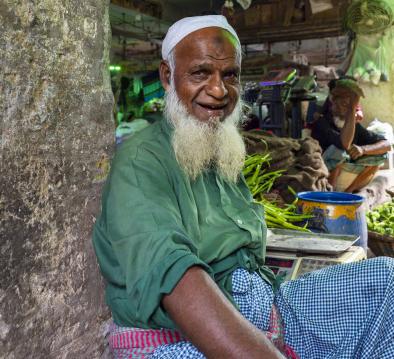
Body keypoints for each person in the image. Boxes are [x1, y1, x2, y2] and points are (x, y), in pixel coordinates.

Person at [93, 15, 394, 359]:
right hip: (182, 335)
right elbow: (176, 281)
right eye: (200, 73)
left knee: (386, 281)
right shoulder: (141, 161)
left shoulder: (219, 149)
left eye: (230, 75)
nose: (219, 90)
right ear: (167, 76)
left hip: (262, 304)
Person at [311, 79, 390, 193]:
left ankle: (349, 192)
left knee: (381, 154)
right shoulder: (322, 123)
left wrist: (363, 149)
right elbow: (344, 144)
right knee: (338, 151)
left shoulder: (355, 126)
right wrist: (353, 108)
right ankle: (328, 195)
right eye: (344, 105)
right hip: (323, 177)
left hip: (346, 178)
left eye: (351, 108)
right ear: (333, 100)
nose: (347, 112)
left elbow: (387, 144)